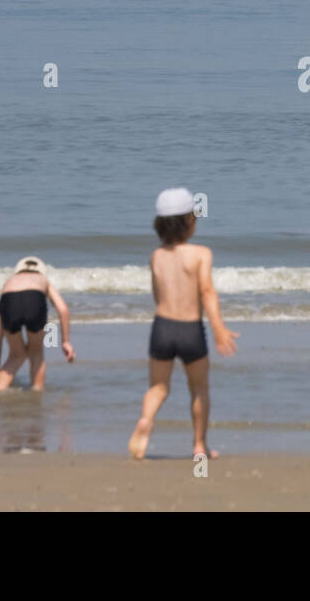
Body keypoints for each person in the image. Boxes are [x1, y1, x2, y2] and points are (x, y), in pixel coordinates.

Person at [128, 188, 239, 459]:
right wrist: (219, 328)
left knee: (158, 387)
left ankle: (146, 419)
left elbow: (156, 293)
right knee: (199, 389)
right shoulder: (201, 254)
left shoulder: (156, 256)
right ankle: (199, 446)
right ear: (189, 221)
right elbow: (207, 292)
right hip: (190, 330)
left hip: (162, 326)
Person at [0, 256, 75, 391]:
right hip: (35, 299)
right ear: (41, 271)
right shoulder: (43, 280)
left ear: (18, 271)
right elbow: (63, 309)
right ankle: (37, 391)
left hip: (9, 301)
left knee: (17, 355)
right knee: (36, 352)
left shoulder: (10, 282)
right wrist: (65, 342)